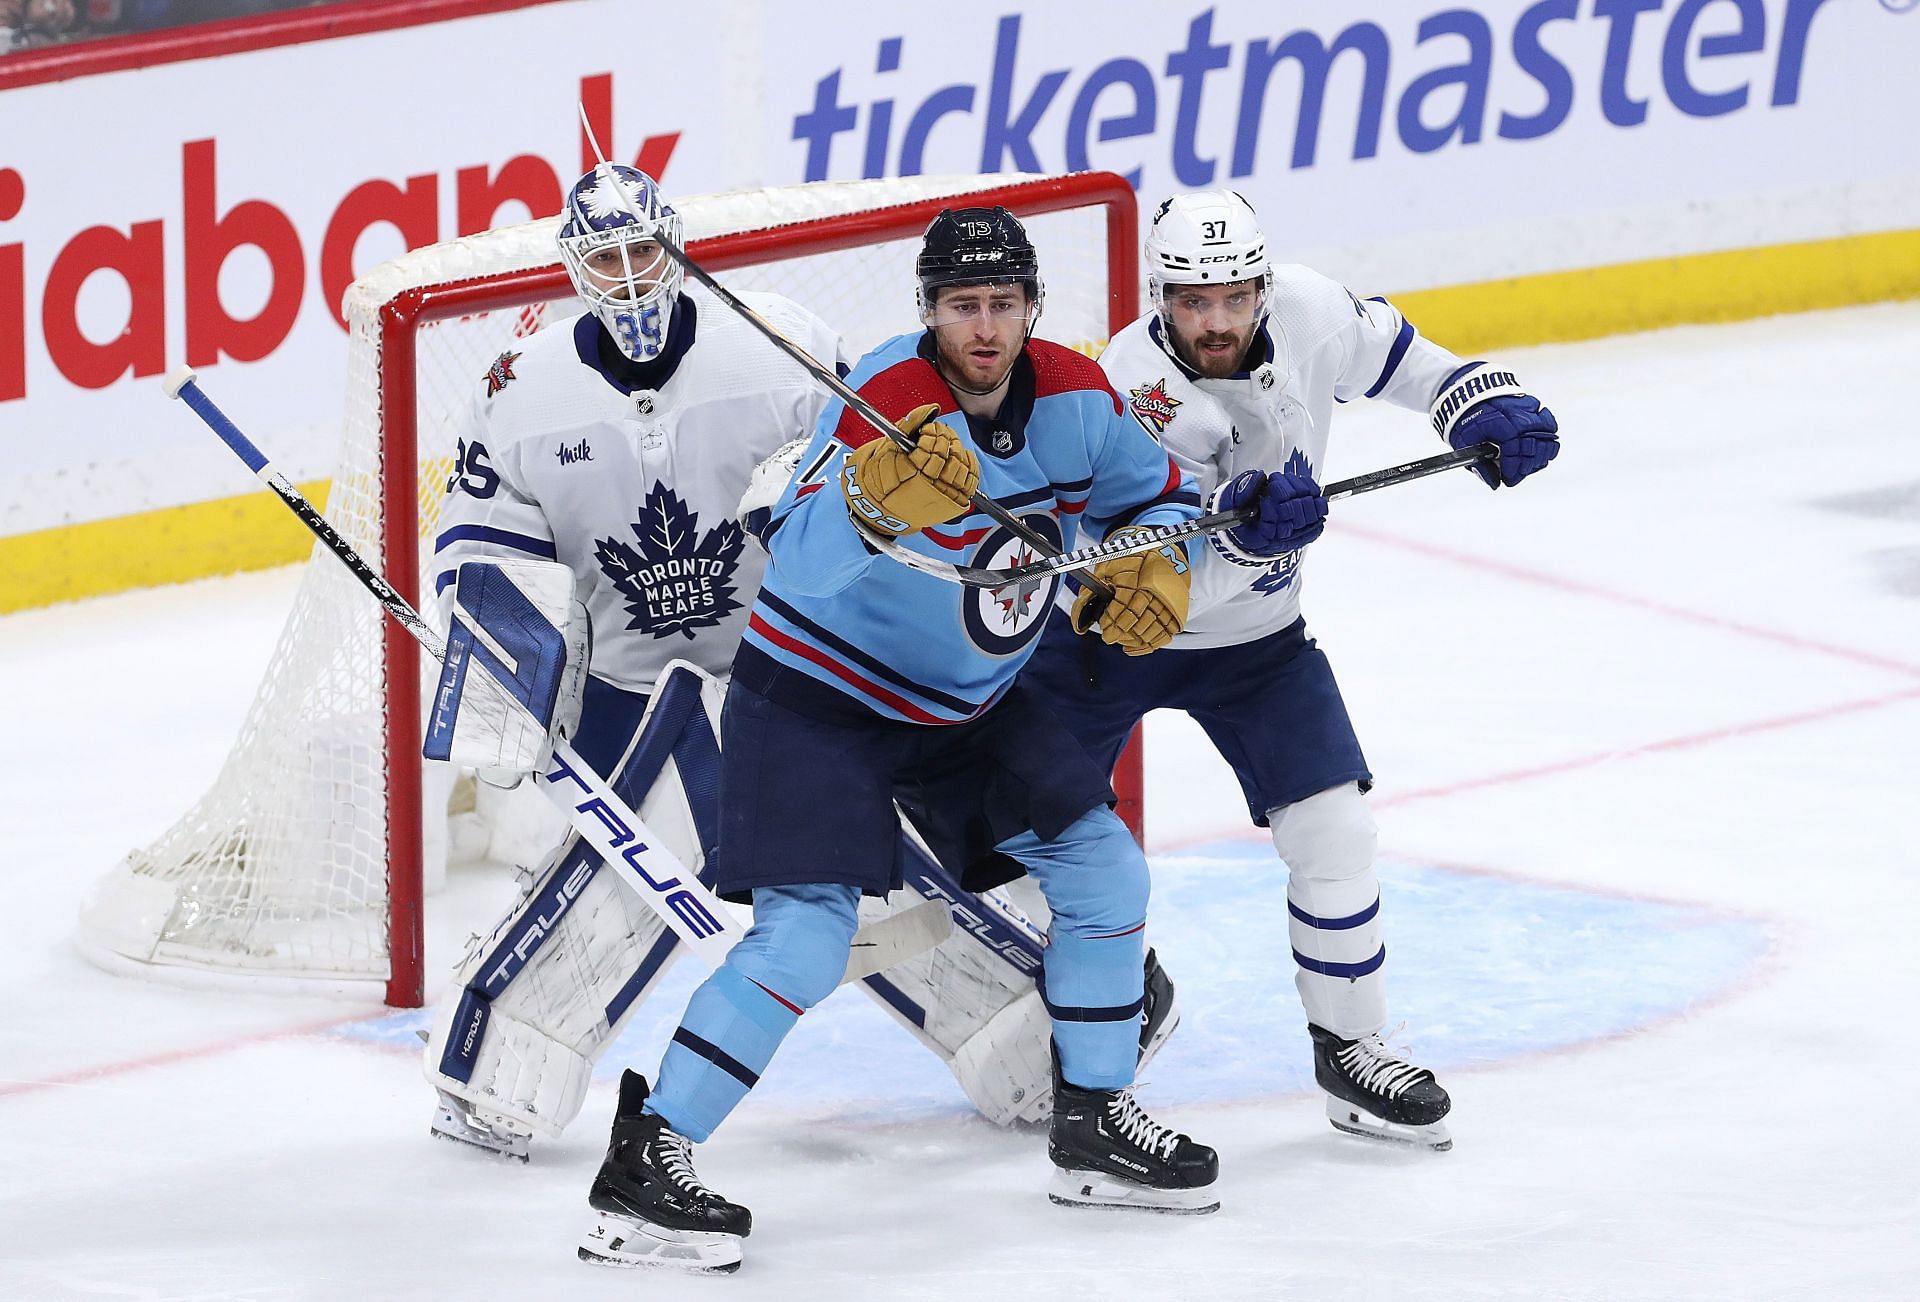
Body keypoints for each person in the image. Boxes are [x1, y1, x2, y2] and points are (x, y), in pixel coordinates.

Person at [418, 167, 1177, 1169]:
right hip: (632, 700)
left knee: (873, 889)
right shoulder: (518, 387)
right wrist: (509, 643)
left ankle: (1042, 1045)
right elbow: (478, 543)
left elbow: (828, 498)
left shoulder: (778, 342)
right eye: (605, 258)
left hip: (799, 667)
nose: (630, 277)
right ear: (573, 267)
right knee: (652, 900)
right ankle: (501, 1072)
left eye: (643, 251)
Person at [576, 207, 1217, 1274]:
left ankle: (1093, 1122)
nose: (985, 327)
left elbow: (1152, 506)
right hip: (819, 700)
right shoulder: (888, 400)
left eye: (1003, 304)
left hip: (972, 706)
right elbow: (804, 563)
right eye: (963, 305)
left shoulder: (1076, 398)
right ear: (929, 312)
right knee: (807, 938)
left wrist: (1157, 563)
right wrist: (876, 506)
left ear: (1031, 310)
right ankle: (649, 1161)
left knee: (1105, 870)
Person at [1024, 190, 1562, 1153]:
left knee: (1335, 831)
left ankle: (1353, 1052)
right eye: (1194, 301)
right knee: (1032, 849)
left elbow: (1413, 364)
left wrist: (1483, 400)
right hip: (1112, 638)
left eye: (1235, 297)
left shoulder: (1313, 310)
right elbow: (1153, 575)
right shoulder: (1129, 388)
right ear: (1160, 297)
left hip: (1261, 643)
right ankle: (1103, 1011)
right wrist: (1239, 533)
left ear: (1265, 287)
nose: (1217, 322)